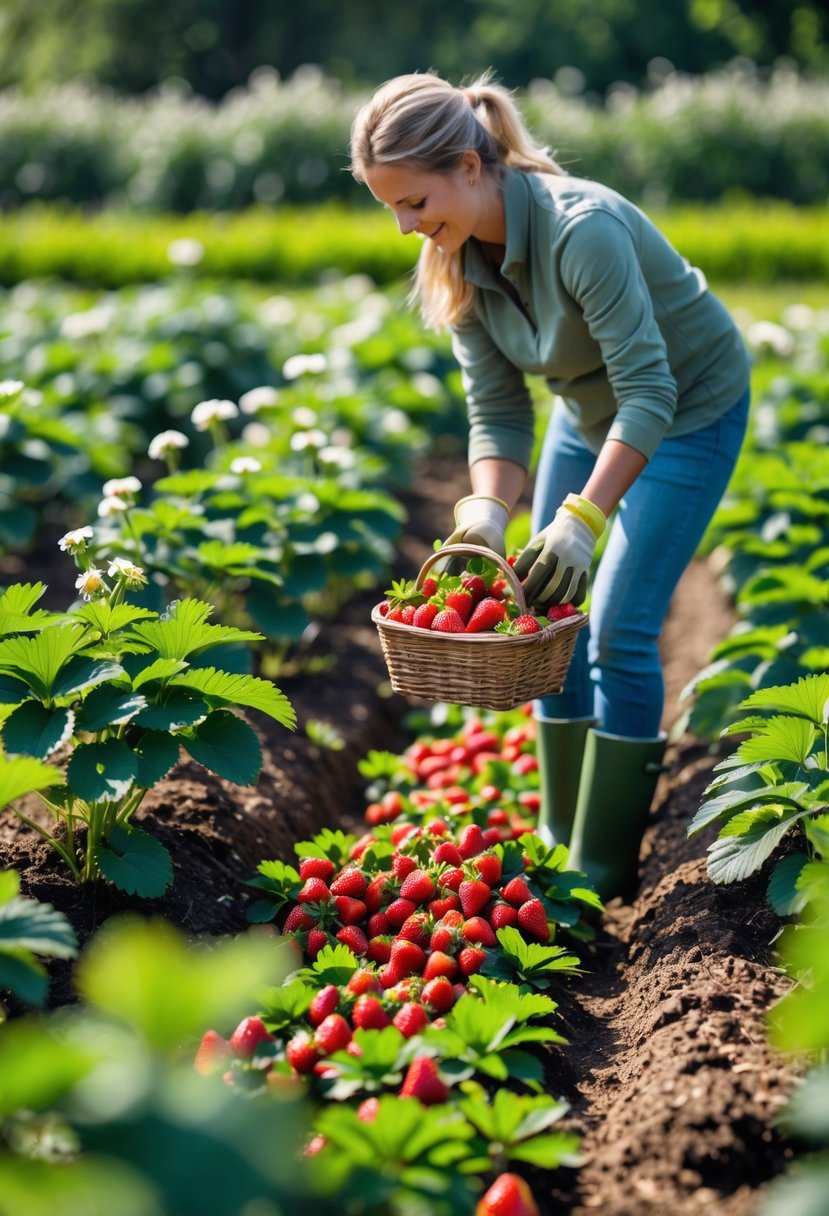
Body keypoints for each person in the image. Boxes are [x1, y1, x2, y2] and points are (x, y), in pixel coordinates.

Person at [349, 70, 751, 901]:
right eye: (390, 208)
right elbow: (496, 412)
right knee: (543, 611)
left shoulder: (582, 230)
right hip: (585, 407)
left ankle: (602, 870)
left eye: (415, 203)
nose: (404, 228)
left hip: (686, 410)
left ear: (468, 165)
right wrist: (486, 513)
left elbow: (651, 392)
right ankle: (557, 836)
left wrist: (579, 518)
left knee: (617, 629)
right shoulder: (455, 261)